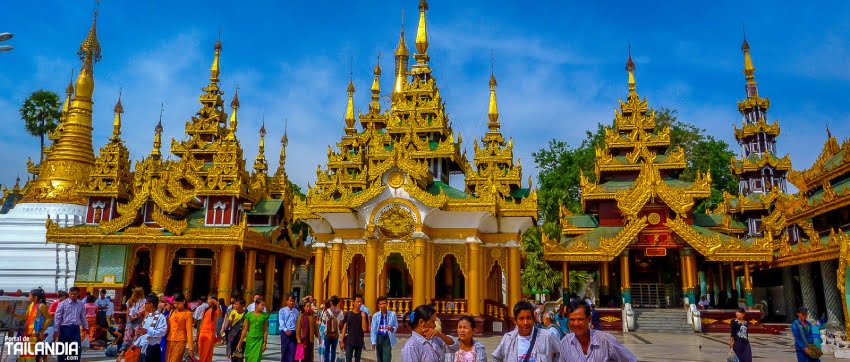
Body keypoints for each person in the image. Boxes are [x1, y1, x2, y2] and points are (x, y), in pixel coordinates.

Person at [559, 301, 636, 362]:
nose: (576, 324)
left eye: (580, 319)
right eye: (572, 320)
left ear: (589, 319)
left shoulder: (605, 340)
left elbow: (629, 359)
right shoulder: (565, 343)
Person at [492, 301, 559, 362]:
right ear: (515, 321)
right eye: (521, 319)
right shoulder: (508, 339)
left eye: (529, 318)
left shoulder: (547, 336)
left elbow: (562, 352)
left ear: (533, 319)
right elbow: (496, 357)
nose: (525, 323)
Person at [53, 286, 88, 362]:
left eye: (75, 294)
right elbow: (57, 317)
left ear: (78, 294)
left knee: (76, 348)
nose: (73, 296)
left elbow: (83, 317)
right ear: (69, 293)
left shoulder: (81, 304)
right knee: (63, 348)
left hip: (75, 329)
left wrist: (86, 327)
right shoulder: (62, 304)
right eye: (71, 294)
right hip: (65, 328)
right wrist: (56, 330)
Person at [17, 288, 52, 362]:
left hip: (35, 334)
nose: (28, 297)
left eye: (30, 295)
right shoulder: (31, 305)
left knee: (30, 353)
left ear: (35, 297)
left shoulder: (41, 306)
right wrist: (12, 314)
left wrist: (42, 330)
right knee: (25, 352)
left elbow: (49, 318)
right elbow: (25, 317)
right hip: (27, 333)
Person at [135, 294, 168, 362]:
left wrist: (147, 331)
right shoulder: (147, 317)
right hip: (143, 348)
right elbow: (143, 335)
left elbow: (162, 332)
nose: (144, 305)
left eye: (146, 303)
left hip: (153, 349)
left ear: (151, 304)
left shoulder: (161, 317)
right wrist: (135, 344)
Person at [238, 298, 269, 362]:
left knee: (257, 359)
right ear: (256, 305)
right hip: (250, 340)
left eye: (264, 305)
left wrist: (265, 342)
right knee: (249, 358)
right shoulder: (248, 315)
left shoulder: (264, 316)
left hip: (259, 340)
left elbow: (265, 330)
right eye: (262, 305)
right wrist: (240, 343)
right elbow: (245, 330)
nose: (263, 307)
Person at [339, 294, 369, 362]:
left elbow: (364, 329)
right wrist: (341, 341)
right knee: (348, 359)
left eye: (360, 302)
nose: (359, 303)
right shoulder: (348, 314)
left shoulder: (364, 314)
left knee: (357, 360)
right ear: (353, 302)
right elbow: (344, 328)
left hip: (359, 341)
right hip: (350, 341)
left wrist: (363, 317)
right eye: (357, 301)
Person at [165, 293, 194, 362]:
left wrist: (190, 348)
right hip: (169, 340)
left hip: (180, 342)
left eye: (178, 303)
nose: (176, 305)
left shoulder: (188, 314)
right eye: (174, 303)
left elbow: (189, 331)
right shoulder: (172, 311)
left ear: (183, 302)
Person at [370, 296, 398, 362]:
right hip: (379, 337)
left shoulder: (392, 314)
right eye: (381, 304)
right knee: (379, 357)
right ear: (379, 305)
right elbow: (373, 330)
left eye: (384, 303)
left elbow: (396, 325)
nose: (383, 305)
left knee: (387, 357)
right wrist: (373, 342)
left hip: (388, 337)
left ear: (387, 304)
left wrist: (392, 328)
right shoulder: (375, 316)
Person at [197, 296, 220, 362]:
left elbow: (220, 315)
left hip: (209, 333)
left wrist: (217, 304)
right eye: (208, 299)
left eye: (210, 299)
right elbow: (202, 322)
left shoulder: (215, 310)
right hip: (202, 332)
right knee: (201, 350)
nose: (208, 300)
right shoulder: (206, 309)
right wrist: (198, 334)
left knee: (207, 351)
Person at [322, 297, 345, 362]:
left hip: (327, 333)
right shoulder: (340, 312)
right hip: (336, 333)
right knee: (333, 350)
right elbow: (341, 323)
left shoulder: (326, 311)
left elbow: (323, 321)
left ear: (331, 302)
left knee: (327, 350)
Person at [280, 295, 300, 362]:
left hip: (293, 333)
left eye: (293, 301)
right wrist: (286, 330)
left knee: (292, 352)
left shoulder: (296, 311)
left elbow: (297, 323)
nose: (291, 302)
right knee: (284, 351)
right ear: (286, 301)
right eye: (290, 301)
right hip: (284, 333)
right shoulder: (282, 310)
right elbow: (281, 321)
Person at [125, 287, 146, 351]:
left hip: (130, 319)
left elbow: (127, 312)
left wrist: (127, 320)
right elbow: (144, 312)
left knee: (128, 336)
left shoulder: (130, 300)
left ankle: (125, 350)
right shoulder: (144, 301)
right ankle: (133, 350)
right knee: (137, 336)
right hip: (139, 319)